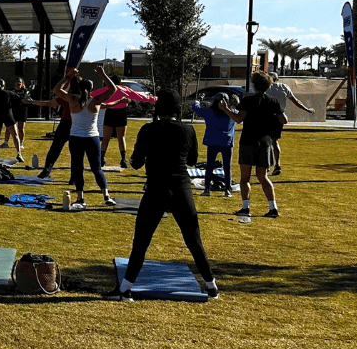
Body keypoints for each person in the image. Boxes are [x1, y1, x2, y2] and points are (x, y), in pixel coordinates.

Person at [104, 90, 218, 301]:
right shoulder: (188, 130)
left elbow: (136, 164)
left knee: (141, 241)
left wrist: (138, 149)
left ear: (158, 110)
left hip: (156, 189)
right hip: (182, 188)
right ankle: (211, 286)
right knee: (194, 240)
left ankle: (126, 289)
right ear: (177, 110)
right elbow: (192, 161)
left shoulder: (148, 130)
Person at [223, 71, 286, 218]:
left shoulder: (247, 101)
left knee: (245, 178)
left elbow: (239, 119)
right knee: (263, 177)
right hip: (264, 142)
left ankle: (246, 208)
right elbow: (284, 120)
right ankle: (273, 208)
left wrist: (225, 109)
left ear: (254, 85)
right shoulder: (273, 101)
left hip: (248, 141)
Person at [55, 68, 120, 209]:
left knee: (78, 168)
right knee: (97, 169)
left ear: (78, 87)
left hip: (76, 138)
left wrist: (68, 76)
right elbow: (113, 89)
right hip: (92, 138)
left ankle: (80, 198)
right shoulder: (95, 101)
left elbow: (57, 89)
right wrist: (103, 74)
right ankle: (106, 196)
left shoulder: (73, 100)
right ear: (92, 89)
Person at [25, 72, 75, 179]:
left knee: (55, 148)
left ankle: (47, 169)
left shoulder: (68, 97)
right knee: (75, 152)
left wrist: (66, 78)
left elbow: (51, 100)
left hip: (66, 123)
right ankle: (74, 177)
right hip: (77, 125)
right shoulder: (86, 97)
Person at [191, 93, 236, 197]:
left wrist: (198, 100)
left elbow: (196, 107)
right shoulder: (231, 113)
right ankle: (227, 189)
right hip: (227, 143)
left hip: (212, 142)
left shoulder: (209, 112)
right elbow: (239, 114)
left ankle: (207, 189)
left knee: (210, 166)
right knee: (227, 167)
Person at [266, 76, 313, 176]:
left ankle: (266, 165)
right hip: (280, 117)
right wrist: (306, 109)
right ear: (277, 79)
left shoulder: (265, 87)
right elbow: (296, 101)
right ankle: (277, 165)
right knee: (274, 141)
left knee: (265, 141)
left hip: (267, 117)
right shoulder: (284, 87)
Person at [4, 78, 30, 155]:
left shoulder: (25, 91)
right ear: (15, 84)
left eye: (20, 83)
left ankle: (21, 143)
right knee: (9, 127)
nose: (18, 85)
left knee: (21, 128)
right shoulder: (11, 91)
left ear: (22, 84)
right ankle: (5, 142)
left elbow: (27, 99)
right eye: (17, 83)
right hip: (13, 111)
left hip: (22, 110)